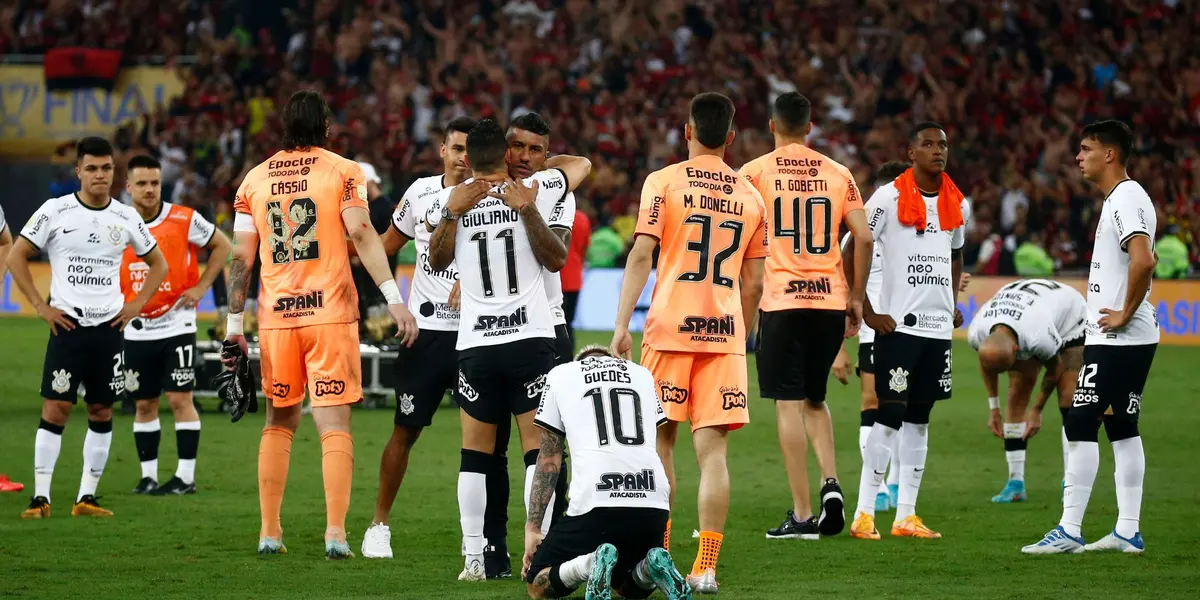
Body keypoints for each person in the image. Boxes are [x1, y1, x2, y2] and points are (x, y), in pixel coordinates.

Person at [223, 90, 418, 558]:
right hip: (329, 314)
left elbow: (240, 259)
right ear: (326, 127)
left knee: (278, 422)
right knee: (334, 426)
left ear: (284, 127)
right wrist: (395, 299)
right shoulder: (343, 171)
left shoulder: (253, 179)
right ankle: (335, 534)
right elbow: (361, 232)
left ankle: (270, 532)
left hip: (276, 319)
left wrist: (234, 324)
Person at [611, 92, 769, 594]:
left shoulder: (663, 182)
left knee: (660, 445)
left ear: (687, 130)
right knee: (714, 452)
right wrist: (740, 334)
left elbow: (641, 256)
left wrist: (620, 325)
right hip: (723, 335)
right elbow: (756, 283)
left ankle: (658, 553)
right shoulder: (750, 195)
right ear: (730, 137)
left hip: (669, 330)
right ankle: (706, 566)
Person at [424, 118, 572, 581]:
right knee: (539, 453)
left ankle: (473, 560)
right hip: (530, 339)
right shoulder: (540, 188)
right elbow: (557, 255)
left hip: (476, 345)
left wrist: (452, 211)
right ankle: (539, 554)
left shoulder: (453, 201)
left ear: (465, 158)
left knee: (475, 455)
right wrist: (526, 206)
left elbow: (435, 260)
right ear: (508, 156)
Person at [8, 136, 168, 519]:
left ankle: (86, 498)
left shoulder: (126, 217)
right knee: (57, 407)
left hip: (109, 328)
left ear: (114, 172)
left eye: (107, 168)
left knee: (101, 410)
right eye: (92, 168)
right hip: (68, 325)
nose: (100, 175)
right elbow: (16, 256)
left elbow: (159, 264)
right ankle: (41, 498)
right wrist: (40, 307)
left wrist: (135, 305)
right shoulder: (55, 210)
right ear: (77, 171)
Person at [739, 91, 873, 540]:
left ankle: (800, 515)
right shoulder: (838, 172)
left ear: (772, 126)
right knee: (816, 400)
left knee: (787, 404)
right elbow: (864, 236)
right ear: (810, 127)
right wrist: (856, 298)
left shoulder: (753, 173)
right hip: (830, 301)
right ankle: (830, 483)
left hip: (781, 300)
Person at [1023, 120, 1158, 554]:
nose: (1078, 157)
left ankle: (1069, 529)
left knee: (1080, 422)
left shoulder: (1126, 198)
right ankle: (1127, 531)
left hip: (1120, 338)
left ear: (1110, 154)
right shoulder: (1121, 199)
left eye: (1085, 149)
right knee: (1122, 427)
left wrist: (1123, 312)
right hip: (1129, 338)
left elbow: (1144, 260)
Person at [852, 123, 968, 541]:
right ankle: (864, 512)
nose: (938, 150)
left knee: (921, 418)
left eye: (943, 144)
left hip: (938, 331)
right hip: (899, 326)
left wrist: (953, 302)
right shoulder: (889, 196)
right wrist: (866, 308)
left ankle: (906, 515)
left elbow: (956, 253)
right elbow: (853, 244)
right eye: (929, 144)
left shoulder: (958, 204)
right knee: (890, 413)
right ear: (911, 152)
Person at [523, 345, 691, 600]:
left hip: (597, 502)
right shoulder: (642, 374)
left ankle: (588, 564)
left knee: (536, 584)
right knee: (626, 584)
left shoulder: (561, 374)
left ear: (581, 360)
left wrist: (533, 527)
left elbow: (548, 459)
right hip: (652, 500)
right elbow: (657, 449)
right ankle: (649, 567)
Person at [120, 155, 232, 496]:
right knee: (143, 403)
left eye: (155, 183)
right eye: (142, 183)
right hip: (135, 327)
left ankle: (185, 478)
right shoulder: (116, 222)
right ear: (129, 188)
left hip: (176, 324)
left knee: (181, 399)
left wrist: (201, 287)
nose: (150, 189)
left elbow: (223, 245)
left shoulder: (182, 218)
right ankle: (148, 476)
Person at [833, 160, 911, 515]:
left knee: (907, 409)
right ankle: (877, 487)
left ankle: (895, 486)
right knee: (872, 403)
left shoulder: (916, 229)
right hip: (874, 329)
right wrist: (841, 346)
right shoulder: (857, 236)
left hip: (915, 329)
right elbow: (841, 288)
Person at [968, 278, 1086, 503]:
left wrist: (1037, 410)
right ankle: (1015, 484)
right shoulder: (977, 332)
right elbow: (987, 365)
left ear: (1016, 349)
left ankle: (1071, 482)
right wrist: (994, 409)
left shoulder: (1037, 337)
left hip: (1071, 319)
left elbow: (1055, 368)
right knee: (1017, 391)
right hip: (1026, 312)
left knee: (1069, 397)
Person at [563, 206, 591, 344]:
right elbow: (585, 247)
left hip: (556, 276)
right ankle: (569, 353)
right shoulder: (582, 219)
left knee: (557, 322)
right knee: (569, 321)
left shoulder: (554, 214)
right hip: (575, 278)